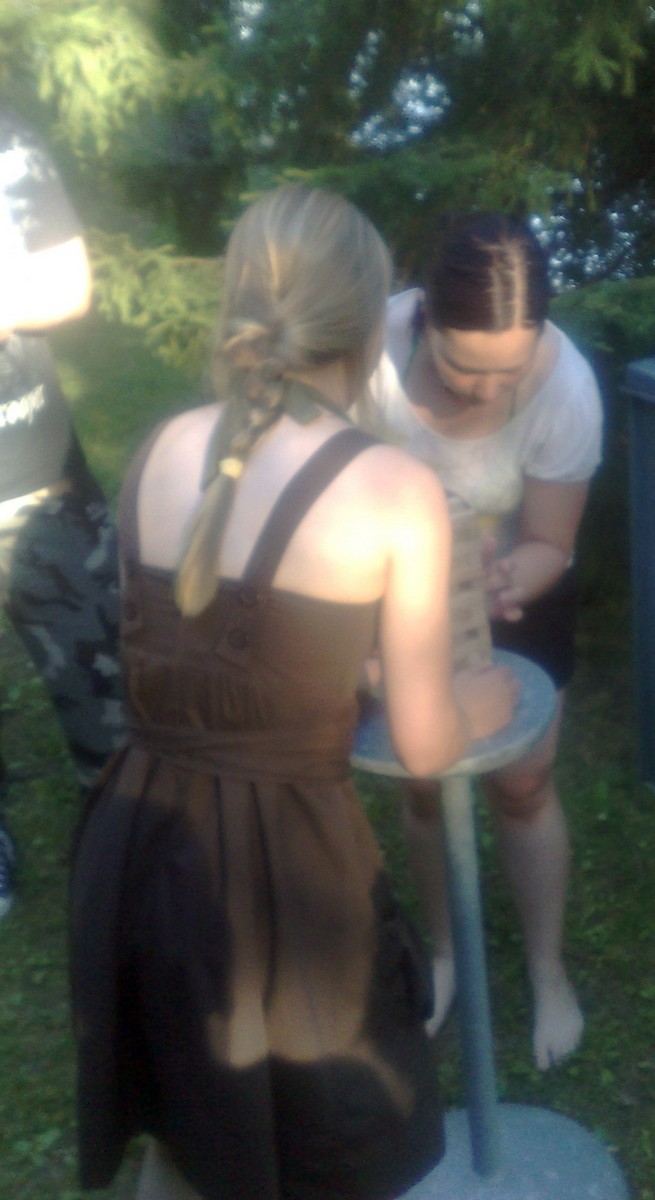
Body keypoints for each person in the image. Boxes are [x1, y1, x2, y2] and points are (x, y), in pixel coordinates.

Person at [69, 185, 517, 1200]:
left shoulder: (157, 450)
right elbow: (424, 741)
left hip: (135, 846)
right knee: (318, 1145)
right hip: (280, 878)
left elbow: (199, 649)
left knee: (184, 1120)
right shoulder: (393, 491)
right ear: (366, 329)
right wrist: (479, 703)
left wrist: (338, 669)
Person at [364, 211, 604, 1071]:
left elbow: (549, 542)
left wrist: (500, 582)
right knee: (425, 782)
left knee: (523, 780)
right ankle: (443, 953)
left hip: (512, 585)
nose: (485, 392)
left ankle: (545, 970)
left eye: (509, 371)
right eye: (464, 366)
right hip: (388, 587)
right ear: (423, 317)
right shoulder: (369, 350)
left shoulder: (567, 390)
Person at [0, 111, 126, 917]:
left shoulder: (5, 140)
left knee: (108, 690)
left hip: (34, 471)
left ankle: (128, 845)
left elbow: (65, 284)